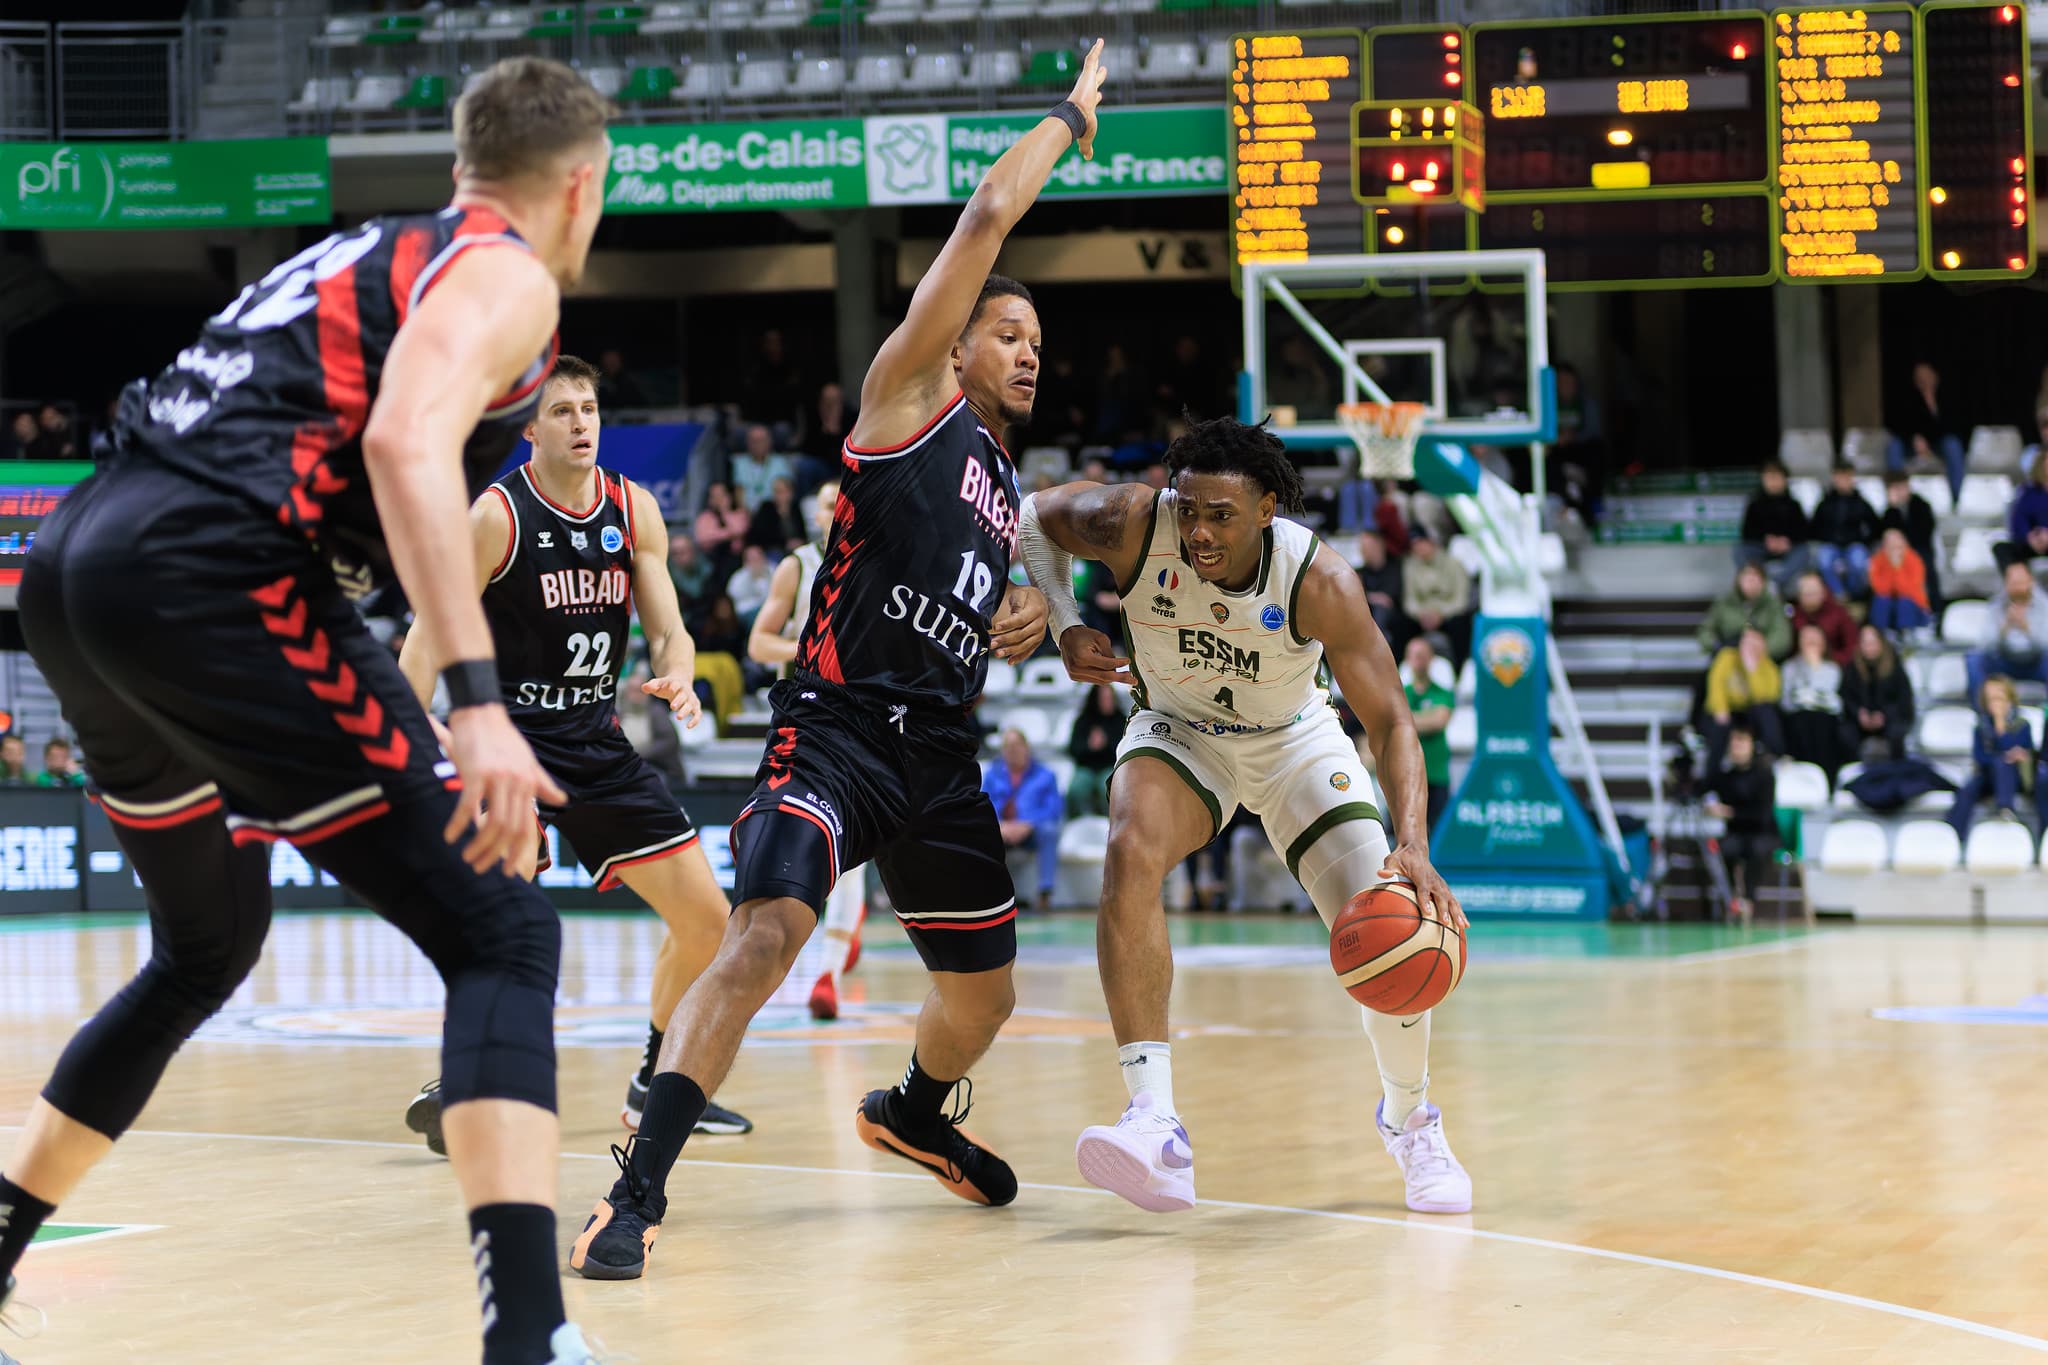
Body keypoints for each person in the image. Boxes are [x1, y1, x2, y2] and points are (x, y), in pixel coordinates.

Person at [0, 58, 616, 1365]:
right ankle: (532, 1338)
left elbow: (357, 458)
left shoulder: (365, 249)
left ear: (462, 160)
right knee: (503, 924)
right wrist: (475, 701)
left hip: (78, 566)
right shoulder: (511, 272)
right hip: (213, 574)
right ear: (582, 183)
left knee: (204, 945)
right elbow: (402, 445)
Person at [568, 45, 1099, 1281]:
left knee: (985, 1001)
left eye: (1038, 340)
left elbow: (995, 590)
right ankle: (632, 1194)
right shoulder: (906, 396)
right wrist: (1068, 120)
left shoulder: (1003, 480)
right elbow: (984, 213)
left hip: (939, 753)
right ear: (955, 342)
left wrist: (1025, 617)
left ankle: (911, 1110)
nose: (1027, 352)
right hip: (839, 732)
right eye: (1007, 332)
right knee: (765, 934)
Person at [1020, 413, 1474, 1218]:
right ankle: (1155, 1121)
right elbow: (1032, 518)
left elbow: (1394, 721)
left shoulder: (1319, 579)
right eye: (1188, 509)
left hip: (1294, 740)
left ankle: (1410, 1118)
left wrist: (1413, 843)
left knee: (1392, 920)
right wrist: (1064, 622)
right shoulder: (1131, 521)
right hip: (1180, 729)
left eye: (1220, 515)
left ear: (1268, 508)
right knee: (1128, 851)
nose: (1197, 531)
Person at [394, 352, 752, 1155]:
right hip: (511, 743)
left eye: (589, 409)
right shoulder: (496, 516)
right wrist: (442, 740)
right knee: (508, 922)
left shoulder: (634, 508)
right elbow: (417, 655)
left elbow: (668, 627)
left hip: (596, 741)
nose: (582, 423)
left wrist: (682, 674)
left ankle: (656, 1078)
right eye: (563, 411)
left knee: (708, 921)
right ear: (529, 430)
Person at [745, 478, 869, 1023]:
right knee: (797, 839)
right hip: (800, 716)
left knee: (853, 852)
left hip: (860, 717)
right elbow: (757, 642)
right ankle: (818, 940)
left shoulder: (875, 559)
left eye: (840, 502)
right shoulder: (795, 567)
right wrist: (809, 651)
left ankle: (829, 970)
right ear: (815, 515)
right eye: (824, 504)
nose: (834, 511)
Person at [1703, 721, 1778, 921]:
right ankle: (1731, 899)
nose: (1737, 746)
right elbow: (1703, 788)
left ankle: (1749, 900)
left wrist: (1729, 812)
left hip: (1763, 832)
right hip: (1736, 833)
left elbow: (1762, 814)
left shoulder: (1764, 775)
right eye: (1734, 741)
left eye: (1742, 741)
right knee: (1725, 849)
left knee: (1755, 849)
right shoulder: (1726, 776)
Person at [1946, 675, 2038, 837]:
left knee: (2003, 764)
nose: (1995, 703)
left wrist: (2001, 728)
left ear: (2009, 699)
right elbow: (1980, 757)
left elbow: (2026, 753)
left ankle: (2005, 810)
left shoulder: (2022, 725)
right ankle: (1954, 833)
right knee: (1967, 790)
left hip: (2014, 777)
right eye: (1990, 699)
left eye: (1999, 698)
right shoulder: (1981, 728)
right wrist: (2003, 749)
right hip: (1987, 775)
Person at [983, 726, 1063, 912]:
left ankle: (1045, 892)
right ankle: (987, 895)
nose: (1013, 750)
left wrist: (1028, 824)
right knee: (979, 832)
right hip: (1001, 830)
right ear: (1003, 751)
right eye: (1008, 746)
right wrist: (999, 825)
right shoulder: (992, 775)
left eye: (1017, 745)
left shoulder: (1045, 775)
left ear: (1026, 748)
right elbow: (983, 804)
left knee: (1050, 830)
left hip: (1032, 830)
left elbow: (1053, 809)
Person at [1703, 627, 1784, 765]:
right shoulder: (1726, 657)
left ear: (1763, 645)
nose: (1749, 646)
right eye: (1746, 641)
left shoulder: (1769, 666)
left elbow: (1765, 698)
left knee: (1766, 712)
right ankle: (1712, 777)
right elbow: (1715, 684)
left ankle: (1775, 757)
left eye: (1754, 642)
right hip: (1728, 711)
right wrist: (1720, 708)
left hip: (1751, 714)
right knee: (1719, 727)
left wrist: (1751, 669)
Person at [1886, 360, 1966, 496]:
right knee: (1893, 445)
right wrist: (1914, 439)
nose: (1924, 380)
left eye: (1927, 376)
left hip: (1938, 445)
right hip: (1912, 445)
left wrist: (1932, 404)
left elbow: (1952, 427)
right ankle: (1896, 491)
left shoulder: (1946, 397)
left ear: (1935, 377)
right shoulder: (1907, 397)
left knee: (1953, 444)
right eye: (1920, 377)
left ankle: (1956, 495)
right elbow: (1900, 425)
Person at [1969, 560, 2048, 696]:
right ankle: (1984, 715)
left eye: (2021, 583)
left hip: (2036, 663)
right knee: (1974, 659)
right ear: (2006, 584)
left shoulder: (2044, 605)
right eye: (2013, 583)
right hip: (2005, 662)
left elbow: (2045, 644)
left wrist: (2026, 628)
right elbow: (1985, 645)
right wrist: (2004, 628)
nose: (2017, 588)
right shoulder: (1996, 606)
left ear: (2030, 582)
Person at [1839, 624, 1915, 763]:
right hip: (1860, 721)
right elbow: (1846, 698)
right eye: (1865, 642)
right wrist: (1859, 714)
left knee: (1896, 732)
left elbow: (1903, 701)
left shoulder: (1895, 668)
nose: (1869, 647)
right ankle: (1852, 774)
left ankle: (1895, 769)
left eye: (1872, 642)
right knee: (1845, 734)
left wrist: (1884, 715)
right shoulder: (1852, 669)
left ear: (1881, 643)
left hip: (1889, 718)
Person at [1402, 635, 1456, 831]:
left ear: (1431, 659)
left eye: (1422, 655)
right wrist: (1426, 718)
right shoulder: (1400, 693)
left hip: (1436, 771)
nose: (1418, 660)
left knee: (1437, 829)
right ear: (1407, 659)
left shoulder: (1442, 692)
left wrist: (1408, 719)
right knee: (1408, 830)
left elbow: (1439, 721)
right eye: (1414, 655)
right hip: (1407, 772)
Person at [1779, 623, 1844, 777]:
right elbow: (1786, 701)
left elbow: (1834, 702)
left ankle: (1826, 778)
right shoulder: (1789, 667)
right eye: (1806, 638)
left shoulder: (1832, 669)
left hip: (1825, 719)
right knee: (1805, 721)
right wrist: (1806, 668)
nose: (1810, 642)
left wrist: (1814, 669)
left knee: (1821, 722)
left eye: (1814, 639)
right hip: (1798, 718)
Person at [1402, 526, 1473, 667]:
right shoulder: (1410, 565)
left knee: (1461, 624)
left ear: (1432, 542)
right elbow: (1409, 599)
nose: (1418, 548)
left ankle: (1459, 670)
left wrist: (1440, 614)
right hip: (1422, 617)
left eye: (1421, 542)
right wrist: (1421, 614)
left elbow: (1461, 599)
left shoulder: (1453, 564)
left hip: (1448, 615)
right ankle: (1401, 670)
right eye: (1414, 545)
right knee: (1400, 623)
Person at [1736, 460, 1810, 593]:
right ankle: (1754, 579)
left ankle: (1775, 581)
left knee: (1804, 551)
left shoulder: (1794, 504)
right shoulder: (1755, 503)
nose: (1773, 481)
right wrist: (1766, 541)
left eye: (1777, 477)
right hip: (1761, 547)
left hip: (1788, 549)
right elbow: (1747, 532)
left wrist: (1787, 541)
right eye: (1769, 477)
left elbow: (1803, 532)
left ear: (1784, 479)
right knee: (1740, 551)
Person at [1807, 462, 1878, 599]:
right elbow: (1814, 527)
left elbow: (1875, 527)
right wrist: (1824, 538)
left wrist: (1864, 541)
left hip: (1854, 544)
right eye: (1840, 476)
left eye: (1847, 477)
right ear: (1834, 478)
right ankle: (1839, 595)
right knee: (1824, 559)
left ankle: (1854, 595)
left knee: (1858, 561)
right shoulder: (1825, 502)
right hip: (1830, 544)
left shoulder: (1861, 503)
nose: (1843, 481)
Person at [1697, 563, 1791, 659]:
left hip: (1762, 659)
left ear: (1763, 582)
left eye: (1755, 576)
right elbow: (1706, 630)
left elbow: (1781, 636)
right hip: (1728, 656)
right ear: (1738, 579)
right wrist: (1716, 646)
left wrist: (1761, 648)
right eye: (1746, 575)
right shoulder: (1724, 603)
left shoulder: (1772, 605)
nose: (1750, 580)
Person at [1065, 682, 1123, 817]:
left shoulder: (1121, 720)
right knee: (1076, 790)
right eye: (1104, 699)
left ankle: (1111, 825)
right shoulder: (1083, 720)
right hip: (1086, 767)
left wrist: (1105, 745)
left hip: (1110, 767)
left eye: (1110, 698)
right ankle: (1076, 825)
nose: (1108, 702)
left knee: (1109, 791)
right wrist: (1089, 746)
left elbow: (1123, 750)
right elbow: (1073, 749)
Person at [1868, 527, 1933, 634]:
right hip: (1889, 602)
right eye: (1890, 544)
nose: (1894, 548)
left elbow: (1909, 590)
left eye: (1897, 545)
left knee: (1904, 602)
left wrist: (1897, 567)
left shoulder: (1914, 560)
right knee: (1881, 601)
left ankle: (1906, 635)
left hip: (1913, 605)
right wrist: (1892, 567)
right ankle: (1881, 635)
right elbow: (1879, 588)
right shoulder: (1877, 560)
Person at [1356, 529, 1410, 656]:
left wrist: (1367, 596)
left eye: (1367, 547)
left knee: (1381, 609)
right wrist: (1371, 597)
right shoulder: (1360, 572)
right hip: (1365, 618)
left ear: (1380, 545)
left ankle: (1375, 648)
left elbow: (1388, 599)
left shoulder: (1394, 569)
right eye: (1362, 547)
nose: (1363, 551)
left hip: (1395, 619)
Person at [1789, 570, 1856, 665]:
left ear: (1823, 592)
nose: (1811, 597)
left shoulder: (1838, 613)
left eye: (1814, 592)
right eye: (1806, 594)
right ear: (1799, 596)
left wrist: (1829, 660)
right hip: (1801, 666)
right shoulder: (1794, 616)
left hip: (1835, 664)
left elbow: (1852, 647)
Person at [731, 423, 795, 513]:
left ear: (769, 442)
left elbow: (785, 492)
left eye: (761, 440)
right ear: (747, 443)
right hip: (747, 514)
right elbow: (738, 493)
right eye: (754, 441)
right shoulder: (738, 462)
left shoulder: (780, 462)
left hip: (774, 512)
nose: (757, 445)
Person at [692, 480, 750, 577]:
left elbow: (739, 530)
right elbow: (702, 538)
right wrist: (729, 534)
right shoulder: (705, 517)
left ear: (729, 496)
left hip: (737, 557)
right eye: (714, 496)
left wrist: (724, 511)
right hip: (711, 559)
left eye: (721, 495)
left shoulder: (739, 513)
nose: (718, 500)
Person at [746, 474, 807, 556]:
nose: (778, 495)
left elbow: (802, 533)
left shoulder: (795, 508)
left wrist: (799, 541)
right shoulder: (766, 508)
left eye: (781, 491)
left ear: (790, 492)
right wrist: (786, 543)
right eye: (775, 491)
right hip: (772, 550)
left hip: (796, 549)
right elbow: (762, 536)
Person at [2009, 456, 2048, 562]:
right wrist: (2029, 537)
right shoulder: (2029, 492)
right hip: (2034, 542)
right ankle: (2021, 577)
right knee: (2002, 548)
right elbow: (2019, 520)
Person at [725, 544, 775, 625]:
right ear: (746, 562)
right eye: (752, 559)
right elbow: (736, 601)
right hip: (748, 612)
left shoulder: (773, 571)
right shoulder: (738, 579)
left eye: (758, 558)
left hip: (771, 609)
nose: (756, 562)